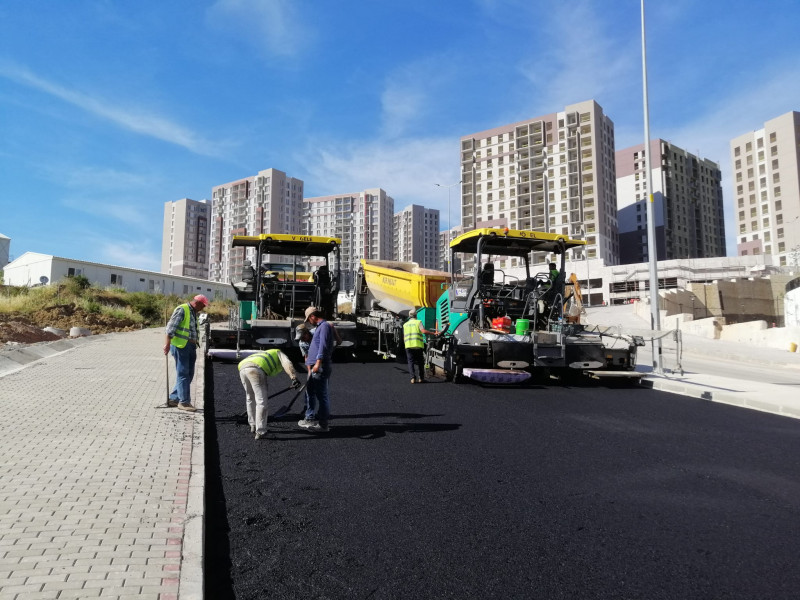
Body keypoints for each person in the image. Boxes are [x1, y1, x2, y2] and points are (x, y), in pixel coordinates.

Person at [238, 349, 301, 440]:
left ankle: (253, 425)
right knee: (261, 401)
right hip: (256, 369)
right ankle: (261, 431)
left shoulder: (264, 354)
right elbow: (287, 363)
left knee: (250, 398)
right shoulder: (278, 352)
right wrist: (294, 378)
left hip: (242, 368)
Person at [164, 295, 208, 411]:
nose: (203, 308)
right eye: (203, 306)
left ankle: (174, 398)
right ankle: (184, 402)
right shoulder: (182, 309)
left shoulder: (192, 312)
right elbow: (170, 328)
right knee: (183, 373)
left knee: (188, 374)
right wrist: (167, 344)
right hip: (181, 346)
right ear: (197, 303)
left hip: (190, 346)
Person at [298, 306, 335, 433]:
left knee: (322, 396)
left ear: (313, 316)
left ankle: (323, 425)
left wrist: (318, 363)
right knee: (311, 392)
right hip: (315, 367)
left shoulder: (324, 326)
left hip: (320, 367)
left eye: (309, 319)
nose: (309, 322)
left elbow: (323, 346)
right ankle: (309, 418)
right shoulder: (320, 327)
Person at [403, 309, 438, 384]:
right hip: (418, 345)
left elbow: (404, 336)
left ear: (409, 316)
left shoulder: (405, 324)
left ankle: (412, 378)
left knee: (410, 362)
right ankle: (421, 378)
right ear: (416, 315)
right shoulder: (418, 322)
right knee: (420, 362)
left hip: (408, 345)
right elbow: (423, 331)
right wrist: (433, 333)